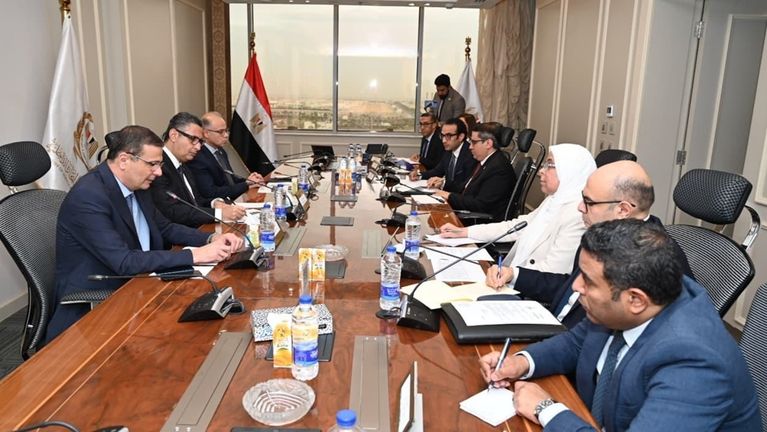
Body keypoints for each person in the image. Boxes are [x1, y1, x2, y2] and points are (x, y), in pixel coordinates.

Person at [479, 219, 761, 431]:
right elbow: (577, 342)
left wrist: (545, 409)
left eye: (588, 281)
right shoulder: (640, 293)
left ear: (635, 300)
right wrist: (521, 362)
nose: (576, 287)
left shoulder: (694, 361)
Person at [46, 125, 244, 343]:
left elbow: (165, 227)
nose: (159, 172)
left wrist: (210, 239)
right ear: (124, 160)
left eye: (160, 164)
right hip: (97, 311)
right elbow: (124, 261)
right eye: (153, 164)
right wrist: (196, 255)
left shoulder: (136, 184)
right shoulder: (88, 196)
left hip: (142, 285)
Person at [484, 160, 693, 329]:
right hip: (554, 328)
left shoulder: (653, 260)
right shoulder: (600, 235)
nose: (580, 207)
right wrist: (515, 274)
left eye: (589, 202)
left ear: (623, 210)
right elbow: (570, 288)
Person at [440, 144, 596, 274]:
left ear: (570, 171)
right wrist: (465, 232)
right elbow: (515, 227)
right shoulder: (554, 200)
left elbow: (552, 273)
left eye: (550, 165)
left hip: (527, 291)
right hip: (511, 276)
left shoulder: (578, 215)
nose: (541, 170)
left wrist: (510, 275)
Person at [150, 112, 246, 227]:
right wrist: (218, 214)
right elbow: (172, 211)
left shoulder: (183, 164)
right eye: (193, 139)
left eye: (200, 142)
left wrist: (214, 203)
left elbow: (195, 201)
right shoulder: (157, 167)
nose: (198, 147)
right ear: (174, 135)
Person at [433, 122, 516, 222]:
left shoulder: (499, 168)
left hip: (478, 221)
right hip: (467, 211)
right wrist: (443, 184)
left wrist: (449, 196)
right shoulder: (486, 161)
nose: (470, 147)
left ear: (488, 143)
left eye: (474, 142)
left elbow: (481, 205)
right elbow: (466, 187)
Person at [187, 111, 264, 202]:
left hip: (232, 200)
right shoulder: (198, 157)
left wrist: (251, 181)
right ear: (206, 133)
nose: (226, 135)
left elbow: (230, 180)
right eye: (220, 132)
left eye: (226, 130)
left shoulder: (220, 151)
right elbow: (210, 192)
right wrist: (246, 184)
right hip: (218, 205)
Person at [410, 117, 476, 193]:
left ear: (461, 136)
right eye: (443, 135)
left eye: (448, 136)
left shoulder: (471, 154)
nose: (444, 140)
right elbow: (437, 171)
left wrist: (443, 183)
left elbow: (464, 186)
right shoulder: (449, 150)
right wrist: (419, 175)